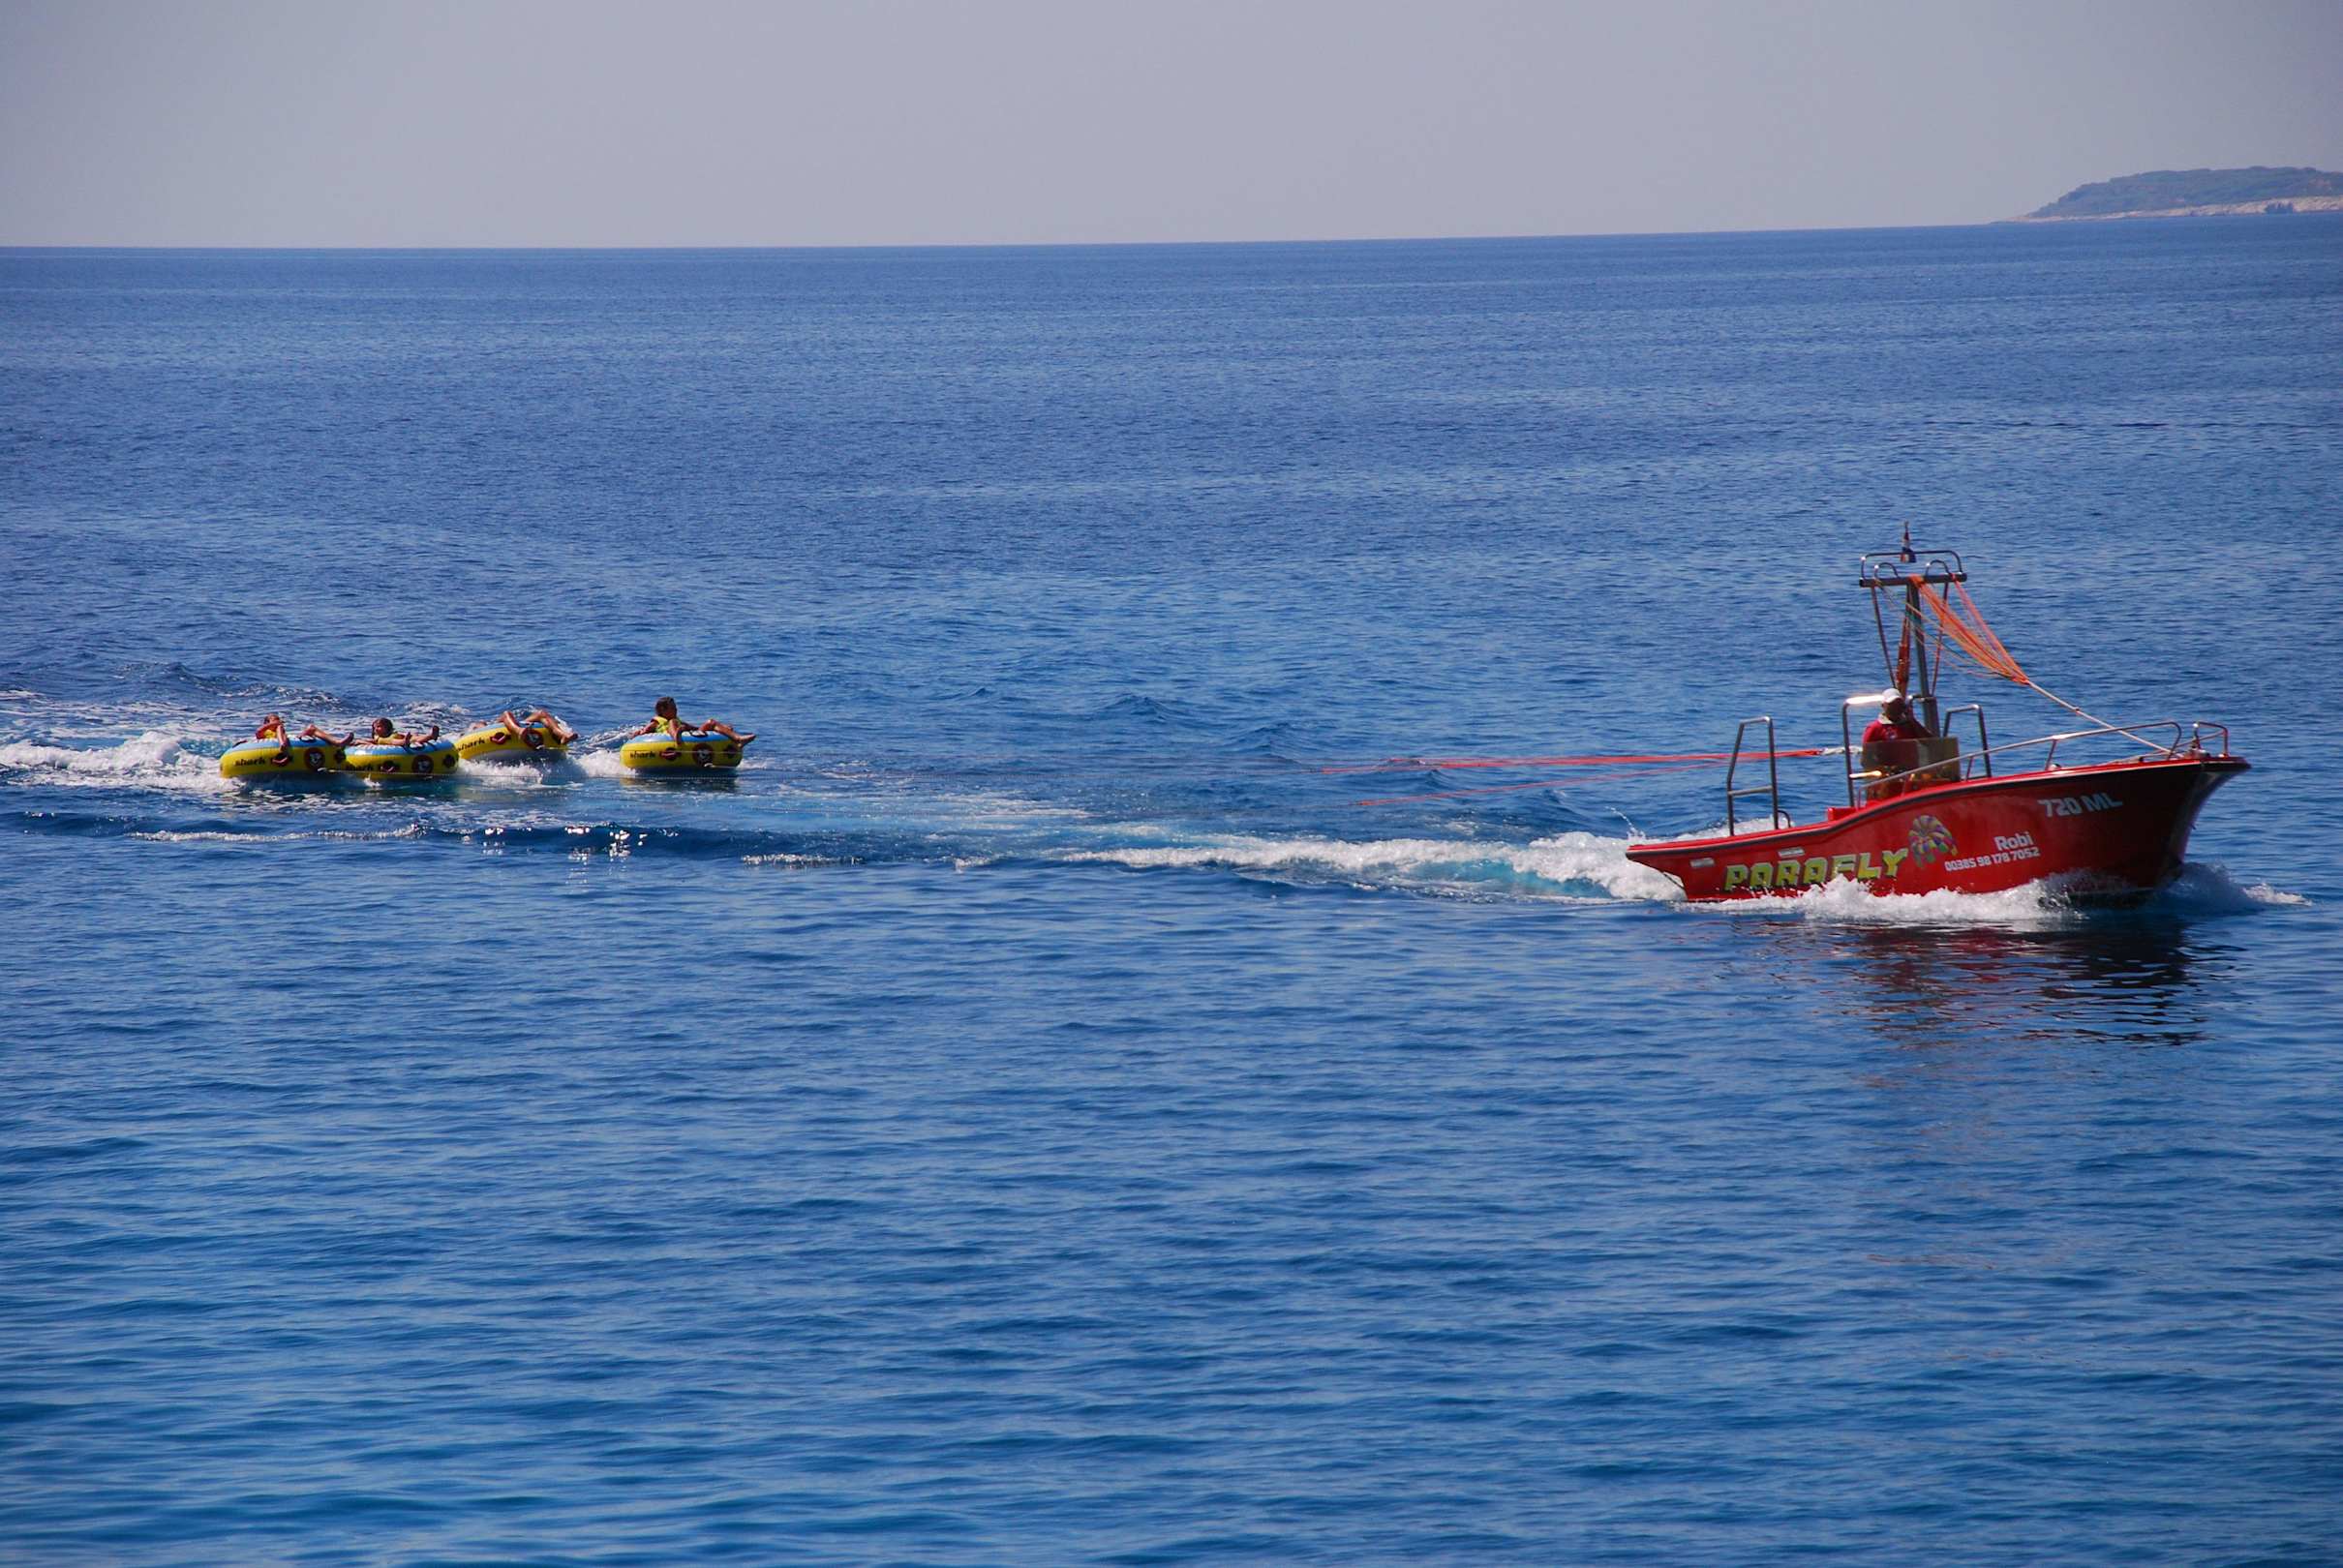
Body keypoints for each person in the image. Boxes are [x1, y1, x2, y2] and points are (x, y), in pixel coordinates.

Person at [1861, 696, 1932, 800]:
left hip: (1911, 774)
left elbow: (1930, 742)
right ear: (1883, 706)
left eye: (1898, 705)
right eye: (1892, 705)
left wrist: (1912, 720)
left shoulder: (1910, 725)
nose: (1895, 708)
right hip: (1887, 777)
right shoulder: (1875, 728)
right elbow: (1866, 758)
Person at [634, 696, 753, 745]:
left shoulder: (678, 721)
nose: (676, 710)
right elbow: (642, 734)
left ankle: (737, 739)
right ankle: (676, 738)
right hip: (669, 740)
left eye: (676, 707)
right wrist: (639, 733)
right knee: (672, 722)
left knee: (711, 722)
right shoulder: (656, 723)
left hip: (686, 739)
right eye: (673, 708)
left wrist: (722, 729)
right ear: (662, 710)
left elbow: (695, 728)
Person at [253, 712, 351, 765]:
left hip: (291, 742)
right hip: (282, 745)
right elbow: (258, 732)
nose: (278, 721)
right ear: (267, 723)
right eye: (275, 720)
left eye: (279, 720)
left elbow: (286, 736)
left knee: (311, 728)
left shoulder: (281, 730)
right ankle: (283, 748)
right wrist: (275, 725)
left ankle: (338, 743)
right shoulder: (265, 733)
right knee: (279, 728)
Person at [495, 708, 577, 749]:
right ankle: (519, 730)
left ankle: (562, 734)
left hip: (521, 727)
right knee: (506, 714)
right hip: (511, 728)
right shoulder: (487, 726)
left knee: (541, 713)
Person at [364, 717, 441, 747]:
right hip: (391, 740)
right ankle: (406, 742)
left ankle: (431, 735)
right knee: (400, 741)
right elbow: (370, 741)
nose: (376, 729)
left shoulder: (390, 733)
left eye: (379, 727)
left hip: (396, 736)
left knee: (415, 737)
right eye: (375, 728)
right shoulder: (377, 737)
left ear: (387, 727)